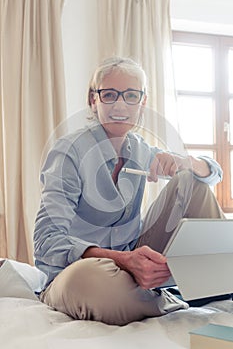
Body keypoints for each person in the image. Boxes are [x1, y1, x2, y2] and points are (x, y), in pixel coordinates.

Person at [34, 56, 225, 326]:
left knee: (190, 180)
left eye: (131, 95)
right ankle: (171, 295)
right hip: (80, 271)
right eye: (109, 95)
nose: (120, 105)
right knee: (90, 281)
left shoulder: (140, 149)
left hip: (133, 264)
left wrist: (187, 162)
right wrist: (124, 260)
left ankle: (213, 279)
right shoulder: (69, 152)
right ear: (94, 100)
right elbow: (46, 241)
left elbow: (214, 173)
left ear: (142, 102)